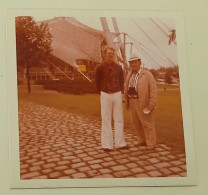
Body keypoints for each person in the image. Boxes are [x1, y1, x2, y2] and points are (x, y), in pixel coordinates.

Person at [95, 46, 127, 151]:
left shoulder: (118, 67)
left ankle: (120, 143)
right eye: (109, 53)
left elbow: (122, 81)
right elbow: (97, 82)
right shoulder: (99, 68)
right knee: (106, 119)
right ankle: (106, 145)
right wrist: (102, 92)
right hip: (105, 94)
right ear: (104, 54)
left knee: (119, 119)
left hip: (117, 93)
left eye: (112, 53)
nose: (111, 55)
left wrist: (121, 93)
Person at [124, 53, 157, 150]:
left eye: (135, 62)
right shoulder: (129, 74)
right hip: (132, 101)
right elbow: (126, 88)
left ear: (140, 62)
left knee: (147, 124)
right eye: (131, 63)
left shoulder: (147, 74)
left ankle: (151, 143)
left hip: (143, 102)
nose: (133, 64)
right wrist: (126, 101)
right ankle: (142, 140)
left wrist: (152, 103)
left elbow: (153, 90)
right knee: (136, 123)